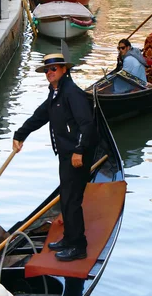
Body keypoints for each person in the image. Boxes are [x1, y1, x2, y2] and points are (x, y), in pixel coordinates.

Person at [13, 52, 97, 262]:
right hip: (66, 154)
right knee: (66, 198)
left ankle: (78, 246)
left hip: (77, 155)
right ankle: (69, 239)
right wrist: (20, 134)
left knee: (72, 200)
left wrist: (79, 150)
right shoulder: (55, 92)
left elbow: (87, 125)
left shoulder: (72, 93)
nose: (49, 73)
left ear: (64, 69)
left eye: (53, 69)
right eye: (47, 70)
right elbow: (41, 115)